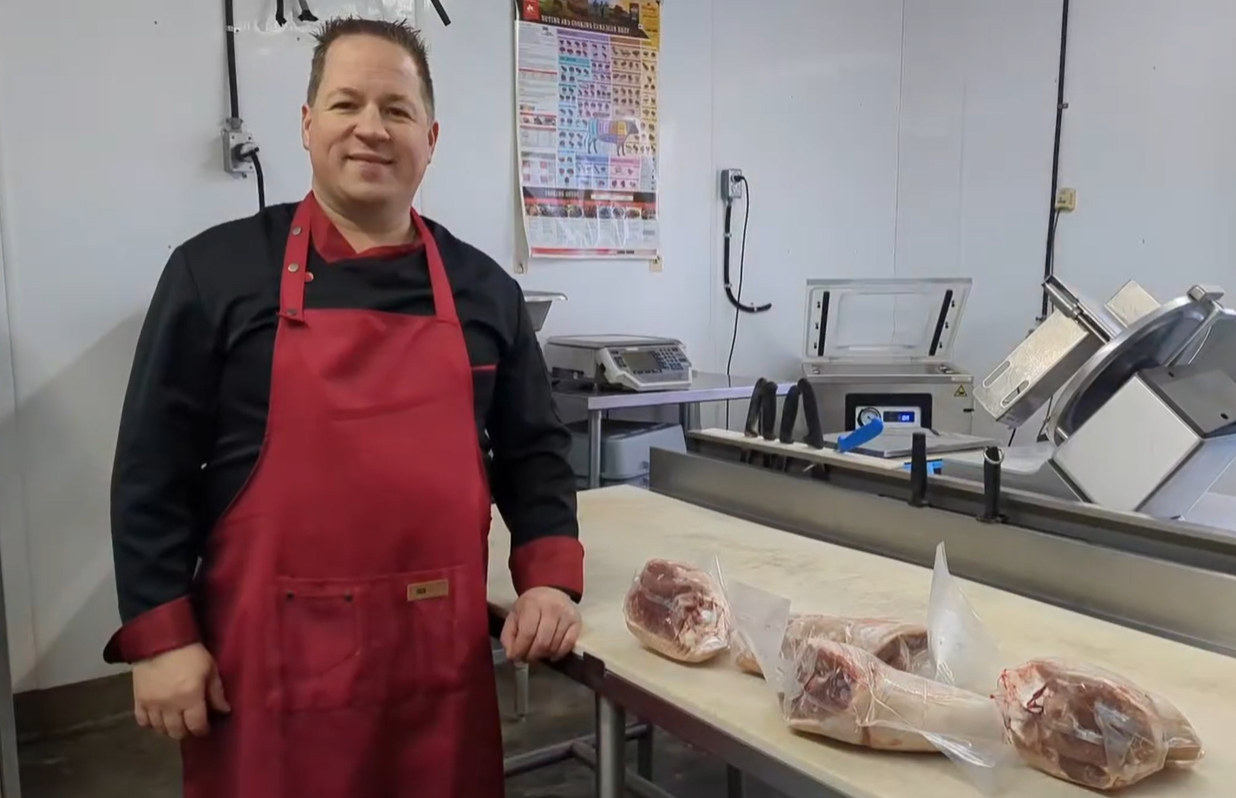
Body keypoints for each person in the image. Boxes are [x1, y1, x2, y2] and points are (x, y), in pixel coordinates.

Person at [103, 16, 584, 798]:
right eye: (345, 103)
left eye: (396, 110)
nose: (371, 128)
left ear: (430, 136)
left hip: (436, 672)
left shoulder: (484, 290)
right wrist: (161, 640)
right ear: (305, 124)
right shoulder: (213, 273)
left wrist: (549, 580)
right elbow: (150, 470)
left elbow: (534, 450)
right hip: (267, 676)